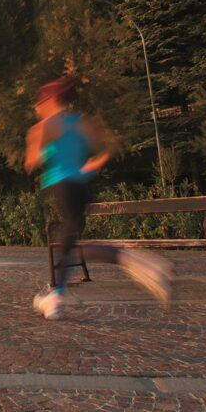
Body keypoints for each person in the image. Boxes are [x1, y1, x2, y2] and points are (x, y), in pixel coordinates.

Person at [25, 75, 171, 320]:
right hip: (81, 187)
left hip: (64, 186)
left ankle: (138, 263)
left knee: (69, 242)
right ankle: (56, 297)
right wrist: (93, 164)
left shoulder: (46, 125)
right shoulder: (80, 122)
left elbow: (30, 162)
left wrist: (38, 143)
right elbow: (109, 145)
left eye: (39, 101)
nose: (37, 106)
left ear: (49, 99)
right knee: (68, 244)